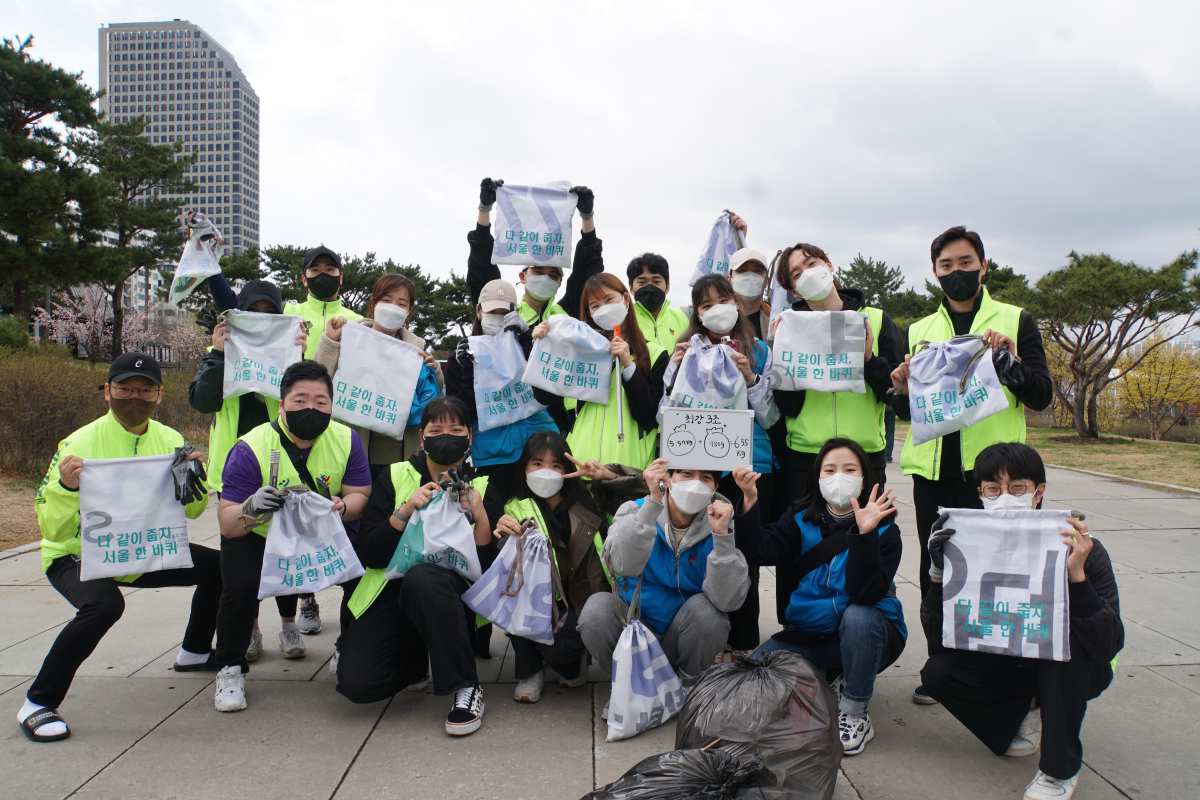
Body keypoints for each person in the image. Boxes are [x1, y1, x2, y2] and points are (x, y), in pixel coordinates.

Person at [889, 226, 1053, 704]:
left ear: (984, 266)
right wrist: (900, 387)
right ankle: (943, 666)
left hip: (996, 480)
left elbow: (1041, 395)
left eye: (965, 263)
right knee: (938, 572)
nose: (955, 272)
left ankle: (1008, 670)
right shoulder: (920, 331)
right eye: (946, 266)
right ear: (935, 272)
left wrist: (1009, 363)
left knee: (1002, 574)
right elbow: (909, 412)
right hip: (934, 476)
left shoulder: (1016, 320)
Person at [21, 353, 219, 742]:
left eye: (145, 390)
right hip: (76, 555)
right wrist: (65, 489)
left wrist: (194, 476)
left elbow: (195, 511)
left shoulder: (171, 439)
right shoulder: (78, 443)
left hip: (144, 550)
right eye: (125, 388)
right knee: (104, 605)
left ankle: (195, 650)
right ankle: (37, 702)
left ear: (159, 395)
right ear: (107, 392)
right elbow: (50, 526)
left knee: (224, 567)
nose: (135, 397)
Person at [919, 443, 1122, 800]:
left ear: (1038, 491)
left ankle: (1059, 770)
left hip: (1075, 667)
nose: (1004, 498)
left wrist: (1078, 577)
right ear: (980, 494)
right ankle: (1026, 711)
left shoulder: (1080, 547)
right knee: (938, 672)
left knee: (1062, 647)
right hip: (1009, 660)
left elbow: (1107, 642)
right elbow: (941, 640)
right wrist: (938, 574)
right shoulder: (964, 545)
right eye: (993, 489)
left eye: (1017, 488)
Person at [336, 397, 504, 736]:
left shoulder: (484, 486)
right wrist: (403, 512)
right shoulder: (394, 476)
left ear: (470, 436)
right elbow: (369, 552)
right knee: (358, 685)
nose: (446, 436)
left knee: (424, 577)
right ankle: (416, 663)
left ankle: (465, 686)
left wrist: (481, 517)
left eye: (456, 430)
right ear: (421, 437)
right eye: (436, 429)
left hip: (449, 596)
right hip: (391, 593)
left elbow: (489, 572)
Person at [210, 360, 372, 713]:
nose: (310, 408)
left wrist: (343, 507)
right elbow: (227, 523)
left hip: (323, 531)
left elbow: (360, 493)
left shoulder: (346, 439)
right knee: (238, 586)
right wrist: (252, 508)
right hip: (262, 535)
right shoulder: (249, 447)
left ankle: (348, 646)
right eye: (300, 400)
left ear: (332, 404)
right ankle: (230, 667)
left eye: (320, 401)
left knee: (365, 576)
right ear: (281, 404)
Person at [732, 438, 906, 756]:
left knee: (859, 616)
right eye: (830, 469)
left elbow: (867, 595)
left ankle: (854, 711)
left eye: (849, 469)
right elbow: (757, 550)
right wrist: (749, 502)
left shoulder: (885, 532)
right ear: (818, 477)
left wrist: (864, 535)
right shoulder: (799, 520)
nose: (839, 476)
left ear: (865, 478)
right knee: (757, 669)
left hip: (872, 635)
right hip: (816, 632)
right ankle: (835, 672)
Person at [767, 238, 905, 624]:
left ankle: (863, 629)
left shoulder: (875, 320)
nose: (807, 273)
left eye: (811, 262)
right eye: (796, 273)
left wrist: (868, 359)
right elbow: (786, 405)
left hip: (863, 457)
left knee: (869, 542)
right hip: (806, 460)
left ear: (829, 264)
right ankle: (796, 634)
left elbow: (894, 393)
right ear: (792, 289)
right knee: (800, 548)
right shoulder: (789, 326)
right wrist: (780, 353)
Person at [188, 280, 320, 652]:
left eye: (269, 314)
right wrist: (218, 353)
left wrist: (298, 357)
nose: (261, 320)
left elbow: (305, 398)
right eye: (253, 313)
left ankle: (289, 623)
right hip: (235, 467)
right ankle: (251, 626)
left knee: (285, 546)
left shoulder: (286, 352)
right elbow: (202, 401)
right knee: (242, 555)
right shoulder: (219, 351)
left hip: (280, 462)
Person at [660, 273, 779, 653]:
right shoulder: (683, 351)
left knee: (743, 553)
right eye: (706, 304)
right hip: (697, 471)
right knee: (699, 550)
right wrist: (675, 372)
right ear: (696, 312)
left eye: (723, 300)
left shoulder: (758, 349)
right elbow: (665, 415)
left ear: (738, 303)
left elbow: (771, 416)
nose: (716, 310)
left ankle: (743, 643)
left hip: (745, 467)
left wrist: (749, 375)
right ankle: (703, 637)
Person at [577, 458, 750, 716]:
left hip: (681, 637)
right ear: (668, 478)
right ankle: (631, 686)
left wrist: (723, 538)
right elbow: (621, 564)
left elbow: (728, 602)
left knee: (709, 614)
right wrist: (651, 506)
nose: (694, 484)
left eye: (705, 478)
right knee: (595, 612)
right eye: (686, 473)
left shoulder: (723, 522)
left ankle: (688, 686)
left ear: (715, 487)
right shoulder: (633, 510)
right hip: (634, 631)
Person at [492, 431, 648, 703]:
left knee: (564, 651)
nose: (546, 472)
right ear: (525, 468)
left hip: (583, 599)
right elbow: (505, 563)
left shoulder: (592, 498)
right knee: (517, 604)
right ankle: (529, 671)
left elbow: (648, 492)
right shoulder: (515, 508)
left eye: (556, 465)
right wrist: (503, 535)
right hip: (537, 601)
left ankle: (571, 660)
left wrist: (607, 475)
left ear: (567, 470)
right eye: (537, 464)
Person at [466, 179, 604, 435]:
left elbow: (589, 270)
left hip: (562, 416)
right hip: (513, 415)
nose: (545, 277)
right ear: (522, 276)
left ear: (561, 281)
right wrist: (484, 210)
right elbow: (481, 270)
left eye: (553, 274)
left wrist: (587, 217)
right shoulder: (504, 312)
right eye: (537, 270)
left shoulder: (567, 313)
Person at [314, 272, 445, 481]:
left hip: (400, 455)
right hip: (352, 448)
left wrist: (435, 371)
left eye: (401, 303)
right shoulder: (349, 336)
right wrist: (330, 341)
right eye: (386, 300)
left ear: (409, 312)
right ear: (374, 303)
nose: (393, 307)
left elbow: (431, 403)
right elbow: (318, 379)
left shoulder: (416, 350)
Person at [534, 273, 670, 470]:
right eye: (595, 306)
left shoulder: (655, 355)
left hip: (628, 468)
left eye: (609, 300)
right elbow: (544, 396)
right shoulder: (580, 352)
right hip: (581, 462)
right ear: (589, 313)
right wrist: (543, 348)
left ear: (625, 299)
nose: (604, 309)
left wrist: (628, 365)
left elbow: (648, 413)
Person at [445, 279, 559, 500]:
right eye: (492, 311)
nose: (497, 317)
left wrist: (528, 340)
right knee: (501, 517)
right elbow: (460, 417)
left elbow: (550, 394)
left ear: (515, 312)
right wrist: (469, 372)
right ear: (479, 311)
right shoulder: (460, 357)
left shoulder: (532, 346)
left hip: (538, 450)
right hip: (494, 456)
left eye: (504, 312)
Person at [284, 246, 363, 358]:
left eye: (330, 269)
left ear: (340, 278)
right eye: (315, 270)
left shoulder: (358, 321)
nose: (323, 274)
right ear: (304, 280)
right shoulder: (286, 312)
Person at [627, 253, 689, 351]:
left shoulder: (686, 317)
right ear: (631, 289)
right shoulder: (623, 320)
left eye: (656, 282)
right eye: (642, 282)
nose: (649, 287)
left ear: (667, 287)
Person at [728, 243, 772, 339]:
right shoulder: (718, 317)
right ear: (729, 280)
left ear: (766, 281)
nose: (750, 276)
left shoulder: (775, 318)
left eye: (757, 271)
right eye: (742, 270)